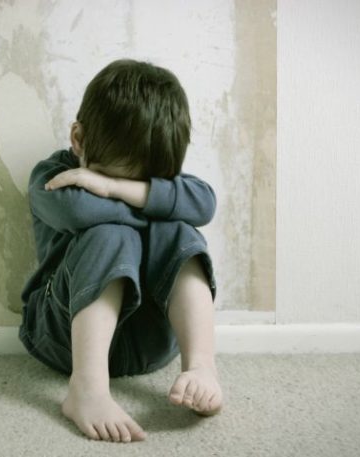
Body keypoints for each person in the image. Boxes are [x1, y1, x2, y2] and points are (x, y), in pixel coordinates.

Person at [18, 59, 223, 443]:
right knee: (111, 234)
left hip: (150, 343)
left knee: (178, 232)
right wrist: (156, 202)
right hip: (60, 337)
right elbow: (77, 208)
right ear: (78, 139)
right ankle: (88, 389)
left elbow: (205, 204)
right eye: (106, 178)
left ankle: (201, 366)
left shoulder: (142, 176)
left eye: (147, 184)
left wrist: (113, 189)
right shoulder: (51, 176)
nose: (111, 186)